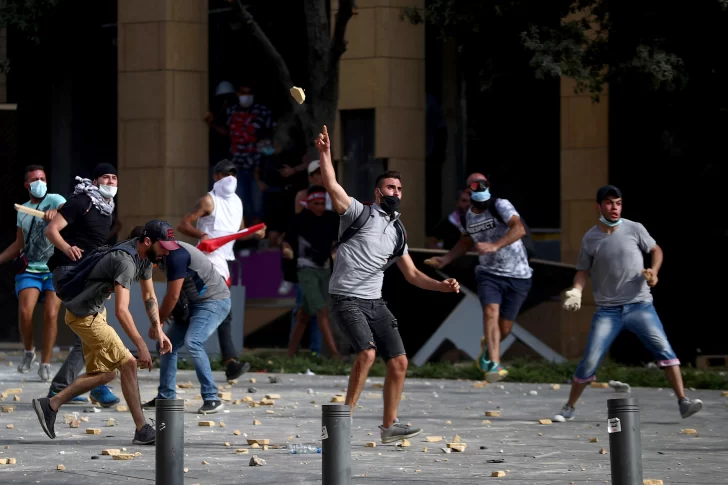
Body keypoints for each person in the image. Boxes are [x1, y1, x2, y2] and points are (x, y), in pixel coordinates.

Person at [315, 125, 461, 443]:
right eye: (390, 187)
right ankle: (342, 423)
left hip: (375, 302)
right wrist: (325, 154)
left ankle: (389, 426)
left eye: (399, 188)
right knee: (366, 354)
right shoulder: (358, 213)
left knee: (399, 362)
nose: (395, 191)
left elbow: (412, 275)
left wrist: (443, 285)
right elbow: (332, 185)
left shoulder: (399, 233)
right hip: (346, 299)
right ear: (378, 193)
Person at [553, 185, 703, 422]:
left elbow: (656, 250)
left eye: (619, 203)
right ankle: (569, 407)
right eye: (610, 203)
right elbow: (582, 270)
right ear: (599, 206)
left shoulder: (635, 228)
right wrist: (577, 291)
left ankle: (683, 402)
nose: (615, 208)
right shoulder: (590, 237)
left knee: (664, 349)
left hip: (640, 305)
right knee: (590, 359)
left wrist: (654, 271)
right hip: (607, 311)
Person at [31, 220, 175, 444]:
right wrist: (142, 345)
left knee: (106, 374)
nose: (166, 253)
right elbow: (122, 310)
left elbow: (149, 296)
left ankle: (50, 405)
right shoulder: (125, 262)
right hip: (85, 317)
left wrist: (158, 329)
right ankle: (142, 429)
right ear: (148, 242)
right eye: (164, 247)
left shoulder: (145, 257)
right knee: (128, 364)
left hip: (93, 313)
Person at [427, 177, 532, 382]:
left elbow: (519, 229)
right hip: (489, 273)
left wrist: (494, 245)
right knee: (490, 311)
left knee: (505, 329)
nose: (481, 203)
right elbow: (466, 242)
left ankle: (488, 348)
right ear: (469, 192)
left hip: (518, 274)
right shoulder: (468, 216)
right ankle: (494, 364)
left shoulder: (500, 204)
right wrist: (445, 259)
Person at [177, 159, 264, 381]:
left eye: (234, 174)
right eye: (226, 174)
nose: (230, 178)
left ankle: (229, 362)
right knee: (210, 310)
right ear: (216, 176)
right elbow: (183, 224)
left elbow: (239, 232)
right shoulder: (208, 200)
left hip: (223, 262)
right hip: (205, 261)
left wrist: (254, 233)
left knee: (222, 313)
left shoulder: (237, 202)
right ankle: (225, 361)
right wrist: (201, 235)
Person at [43, 163, 122, 406]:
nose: (110, 182)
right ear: (96, 180)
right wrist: (67, 247)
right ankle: (97, 384)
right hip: (69, 271)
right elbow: (51, 229)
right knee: (94, 326)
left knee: (89, 331)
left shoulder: (107, 208)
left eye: (114, 178)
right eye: (106, 178)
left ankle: (65, 386)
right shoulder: (82, 201)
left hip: (87, 274)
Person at [142, 222, 236, 414]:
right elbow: (181, 292)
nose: (165, 252)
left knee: (193, 341)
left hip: (214, 302)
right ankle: (166, 396)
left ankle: (212, 398)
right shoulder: (163, 254)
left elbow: (173, 295)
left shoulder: (177, 255)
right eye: (162, 248)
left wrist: (158, 322)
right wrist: (172, 313)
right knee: (166, 345)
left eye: (168, 247)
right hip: (193, 304)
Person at [0, 165, 65, 381]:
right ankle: (29, 352)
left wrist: (57, 214)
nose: (40, 182)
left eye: (43, 178)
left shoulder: (55, 200)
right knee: (25, 312)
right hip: (30, 268)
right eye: (36, 179)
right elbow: (18, 243)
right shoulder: (23, 210)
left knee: (51, 314)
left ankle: (45, 363)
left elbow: (68, 213)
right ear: (27, 185)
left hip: (54, 267)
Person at [282, 185, 340, 358]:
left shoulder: (331, 218)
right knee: (322, 310)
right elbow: (286, 241)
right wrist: (287, 250)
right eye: (316, 203)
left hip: (323, 269)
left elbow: (339, 240)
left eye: (322, 203)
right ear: (308, 203)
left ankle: (290, 354)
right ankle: (335, 354)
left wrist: (335, 252)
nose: (320, 207)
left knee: (303, 315)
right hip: (305, 269)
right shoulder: (299, 220)